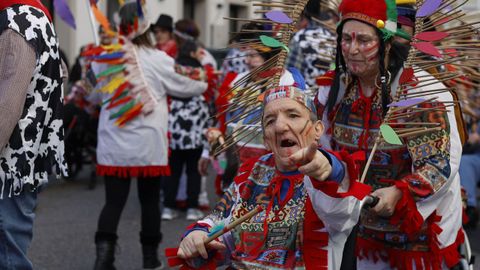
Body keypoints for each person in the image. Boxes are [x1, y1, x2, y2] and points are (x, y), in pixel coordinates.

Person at [315, 0, 464, 268]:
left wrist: (400, 192)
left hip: (413, 239)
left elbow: (439, 164)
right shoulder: (333, 90)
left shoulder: (421, 94)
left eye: (363, 40)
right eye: (346, 40)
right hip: (355, 230)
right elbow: (324, 147)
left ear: (386, 43)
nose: (352, 49)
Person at [176, 85, 372, 269]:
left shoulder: (329, 176)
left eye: (293, 115)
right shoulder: (251, 175)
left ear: (317, 129)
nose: (280, 127)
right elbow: (222, 228)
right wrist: (197, 236)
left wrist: (328, 170)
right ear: (266, 140)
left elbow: (340, 203)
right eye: (270, 121)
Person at [90, 3, 207, 270]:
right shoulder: (159, 59)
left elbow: (91, 95)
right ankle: (150, 260)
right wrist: (199, 67)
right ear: (146, 28)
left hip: (115, 145)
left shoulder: (103, 59)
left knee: (113, 202)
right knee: (150, 201)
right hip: (148, 146)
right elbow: (196, 83)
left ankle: (103, 261)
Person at [0, 1, 67, 269]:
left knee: (8, 258)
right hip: (21, 160)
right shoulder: (33, 16)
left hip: (9, 166)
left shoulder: (17, 20)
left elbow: (6, 105)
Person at [162, 40, 210, 221]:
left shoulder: (172, 67)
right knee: (193, 170)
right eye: (199, 51)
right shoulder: (199, 70)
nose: (201, 54)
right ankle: (192, 207)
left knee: (172, 170)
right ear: (191, 52)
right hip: (195, 126)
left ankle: (168, 206)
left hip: (174, 125)